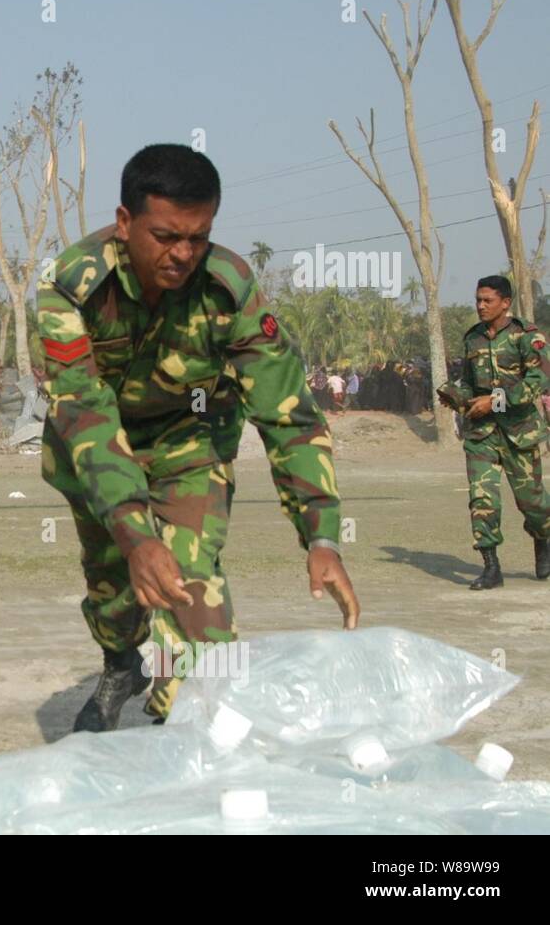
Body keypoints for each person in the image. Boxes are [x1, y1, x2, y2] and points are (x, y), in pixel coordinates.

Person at [36, 143, 360, 730]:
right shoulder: (72, 287)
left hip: (191, 438)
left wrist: (322, 537)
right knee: (114, 582)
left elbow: (289, 414)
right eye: (165, 236)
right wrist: (135, 535)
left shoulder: (228, 286)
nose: (183, 254)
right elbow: (84, 409)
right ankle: (121, 661)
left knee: (190, 584)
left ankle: (198, 734)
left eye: (199, 236)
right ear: (125, 222)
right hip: (99, 446)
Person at [438, 275, 550, 589]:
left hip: (519, 432)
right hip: (482, 435)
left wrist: (495, 401)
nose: (481, 306)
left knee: (533, 502)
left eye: (487, 300)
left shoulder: (527, 336)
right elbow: (470, 383)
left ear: (505, 302)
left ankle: (543, 537)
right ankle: (491, 567)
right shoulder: (472, 338)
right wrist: (456, 396)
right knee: (482, 499)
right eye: (478, 300)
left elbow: (539, 381)